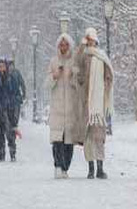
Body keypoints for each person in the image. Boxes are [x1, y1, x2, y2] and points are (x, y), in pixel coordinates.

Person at [74, 27, 114, 179]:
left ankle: (100, 168)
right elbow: (77, 67)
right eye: (87, 39)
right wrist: (81, 46)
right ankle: (90, 168)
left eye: (91, 39)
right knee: (88, 137)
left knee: (99, 137)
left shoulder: (101, 56)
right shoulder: (83, 56)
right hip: (86, 103)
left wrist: (104, 87)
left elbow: (109, 76)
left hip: (99, 104)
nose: (90, 42)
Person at [48, 33, 79, 179]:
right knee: (57, 140)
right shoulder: (54, 61)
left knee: (68, 142)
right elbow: (46, 84)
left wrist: (73, 76)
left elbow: (79, 83)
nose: (64, 47)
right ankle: (57, 166)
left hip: (71, 107)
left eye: (66, 44)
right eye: (61, 44)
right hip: (57, 107)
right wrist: (54, 76)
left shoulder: (74, 62)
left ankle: (65, 167)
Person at [0, 58, 21, 161]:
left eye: (3, 66)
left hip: (8, 108)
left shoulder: (11, 78)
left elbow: (15, 91)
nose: (1, 68)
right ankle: (1, 152)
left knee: (10, 131)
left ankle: (12, 153)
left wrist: (14, 102)